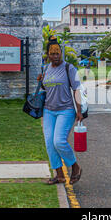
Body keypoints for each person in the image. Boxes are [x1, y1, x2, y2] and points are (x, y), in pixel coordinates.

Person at [37, 36, 83, 185]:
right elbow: (47, 89)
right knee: (50, 143)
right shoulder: (45, 69)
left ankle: (75, 167)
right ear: (48, 55)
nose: (55, 56)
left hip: (66, 110)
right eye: (52, 53)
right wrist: (41, 81)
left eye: (58, 53)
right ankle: (59, 175)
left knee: (59, 141)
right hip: (49, 111)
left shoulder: (69, 68)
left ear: (61, 54)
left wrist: (79, 110)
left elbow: (77, 89)